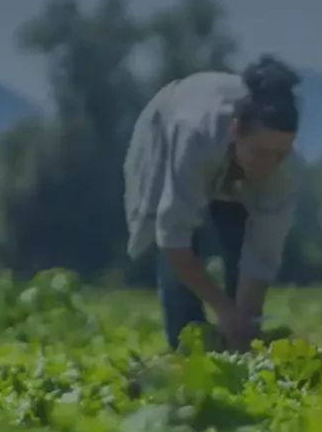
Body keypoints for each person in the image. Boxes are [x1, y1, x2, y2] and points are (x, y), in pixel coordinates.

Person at [124, 56, 305, 350]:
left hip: (230, 172)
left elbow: (261, 257)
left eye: (280, 154)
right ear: (236, 130)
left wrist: (244, 319)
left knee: (239, 246)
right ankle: (188, 352)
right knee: (178, 277)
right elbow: (174, 239)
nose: (269, 164)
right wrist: (223, 307)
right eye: (261, 151)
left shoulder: (284, 173)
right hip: (169, 131)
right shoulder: (194, 136)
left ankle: (236, 352)